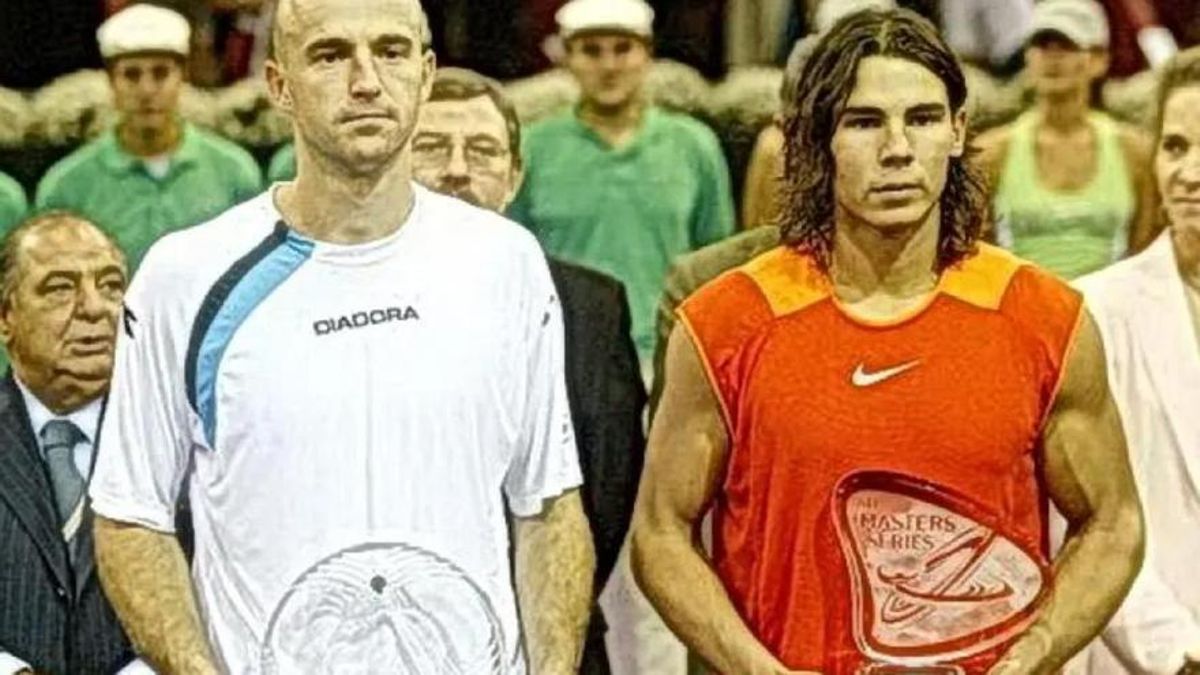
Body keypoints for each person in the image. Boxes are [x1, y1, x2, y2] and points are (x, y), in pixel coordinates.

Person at [631, 8, 1144, 675]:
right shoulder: (726, 320)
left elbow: (1114, 522)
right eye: (865, 121)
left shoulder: (1044, 316)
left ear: (959, 131)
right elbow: (660, 531)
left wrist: (1030, 657)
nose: (898, 148)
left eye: (924, 119)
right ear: (820, 137)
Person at [88, 0, 595, 673]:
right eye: (330, 55)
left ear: (425, 70)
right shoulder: (186, 276)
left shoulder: (506, 261)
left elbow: (550, 504)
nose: (365, 81)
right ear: (277, 84)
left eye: (390, 51)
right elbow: (130, 515)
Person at [409, 65, 647, 674]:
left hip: (552, 636)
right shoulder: (338, 302)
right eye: (432, 147)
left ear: (513, 177)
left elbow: (609, 482)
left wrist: (545, 597)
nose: (457, 169)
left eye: (482, 151)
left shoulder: (591, 305)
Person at [506, 0, 736, 379]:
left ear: (648, 54)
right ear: (568, 58)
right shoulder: (532, 147)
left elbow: (716, 260)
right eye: (592, 51)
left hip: (668, 352)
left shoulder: (695, 144)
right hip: (563, 354)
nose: (609, 66)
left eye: (623, 49)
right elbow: (515, 260)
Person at [1067, 45, 1200, 675]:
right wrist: (1177, 651)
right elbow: (1089, 519)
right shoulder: (1095, 309)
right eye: (1175, 147)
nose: (1190, 173)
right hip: (1139, 657)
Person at [0, 213, 135, 674]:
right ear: (5, 318)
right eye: (60, 288)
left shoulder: (181, 440)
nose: (95, 308)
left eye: (112, 286)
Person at [35, 3, 262, 270]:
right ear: (110, 81)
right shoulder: (67, 186)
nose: (146, 90)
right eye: (131, 75)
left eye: (161, 73)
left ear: (183, 77)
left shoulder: (235, 172)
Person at [977, 0, 1158, 280]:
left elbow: (1145, 253)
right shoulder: (992, 154)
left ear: (1098, 59)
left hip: (1107, 314)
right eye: (1042, 45)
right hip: (1024, 314)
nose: (1053, 57)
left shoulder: (1134, 152)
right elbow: (980, 254)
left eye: (1067, 46)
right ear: (1027, 56)